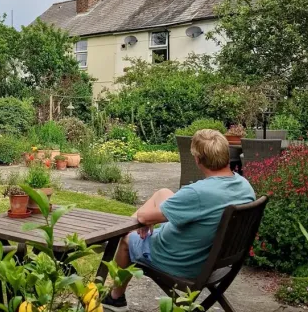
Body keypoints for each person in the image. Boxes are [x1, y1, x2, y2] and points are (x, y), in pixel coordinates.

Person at [101, 129, 256, 311]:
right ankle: (121, 235)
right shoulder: (244, 186)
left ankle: (115, 298)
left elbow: (142, 216)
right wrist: (149, 215)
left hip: (183, 262)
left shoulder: (198, 193)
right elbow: (163, 204)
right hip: (212, 259)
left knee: (128, 238)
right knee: (163, 193)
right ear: (226, 154)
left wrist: (144, 221)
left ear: (197, 159)